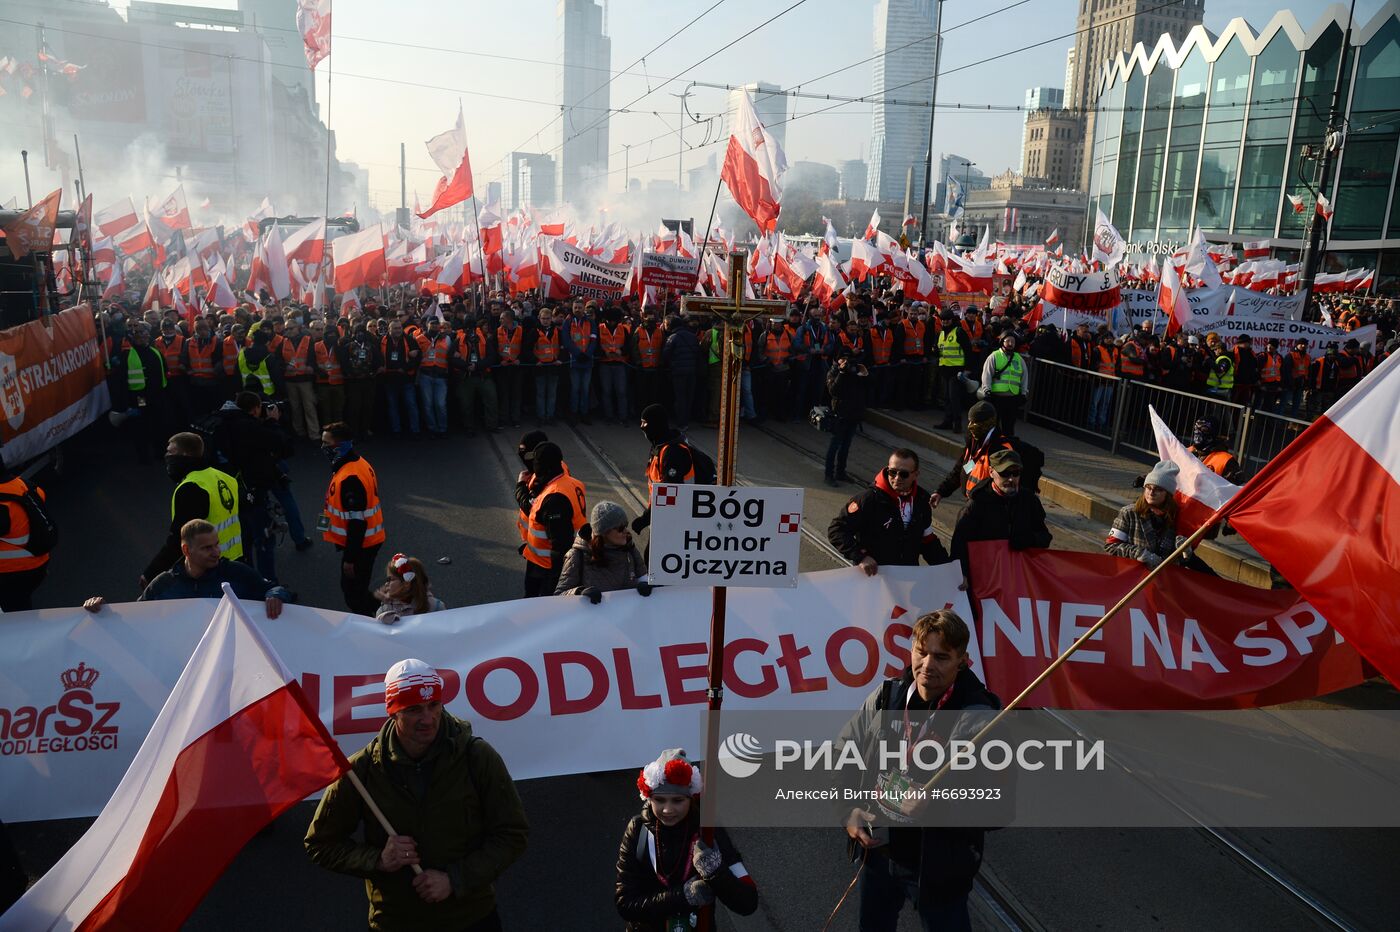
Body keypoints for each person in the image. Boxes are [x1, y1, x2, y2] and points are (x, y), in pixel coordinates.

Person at [305, 659, 529, 931]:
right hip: (395, 921)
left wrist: (455, 880)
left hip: (471, 918)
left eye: (433, 705)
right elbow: (320, 844)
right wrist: (378, 860)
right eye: (413, 710)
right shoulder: (361, 771)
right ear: (392, 713)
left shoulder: (477, 757)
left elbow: (512, 834)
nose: (428, 719)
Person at [838, 610, 1001, 932]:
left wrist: (935, 807)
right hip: (880, 851)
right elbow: (844, 752)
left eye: (941, 657)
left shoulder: (981, 720)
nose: (927, 666)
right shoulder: (887, 695)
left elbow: (997, 807)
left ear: (962, 661)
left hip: (938, 868)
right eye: (921, 653)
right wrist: (847, 809)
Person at [615, 748, 758, 931]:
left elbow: (748, 903)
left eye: (677, 800)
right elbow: (625, 904)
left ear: (691, 798)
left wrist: (716, 872)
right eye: (659, 800)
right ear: (649, 798)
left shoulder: (708, 830)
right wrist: (682, 896)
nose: (667, 810)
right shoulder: (637, 829)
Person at [85, 519, 289, 616]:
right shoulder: (164, 584)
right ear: (186, 550)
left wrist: (275, 594)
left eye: (216, 544)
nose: (217, 552)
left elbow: (274, 589)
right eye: (207, 548)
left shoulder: (235, 572)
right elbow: (135, 617)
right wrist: (100, 608)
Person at [142, 432, 243, 590]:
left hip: (206, 565)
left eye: (171, 452)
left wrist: (152, 572)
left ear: (186, 455)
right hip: (233, 559)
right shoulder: (225, 478)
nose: (167, 456)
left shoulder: (191, 488)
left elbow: (179, 538)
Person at [828, 449, 948, 575]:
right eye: (892, 472)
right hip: (874, 577)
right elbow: (837, 529)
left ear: (916, 474)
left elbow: (928, 541)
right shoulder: (868, 499)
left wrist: (949, 570)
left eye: (904, 474)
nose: (897, 478)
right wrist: (860, 556)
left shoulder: (922, 500)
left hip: (906, 578)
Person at [950, 449, 1053, 582]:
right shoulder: (977, 505)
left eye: (1015, 473)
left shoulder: (1029, 500)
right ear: (991, 472)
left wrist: (1030, 539)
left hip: (1018, 580)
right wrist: (962, 574)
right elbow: (959, 545)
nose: (1011, 479)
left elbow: (1045, 536)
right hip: (985, 580)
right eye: (1004, 473)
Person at [320, 422, 386, 615]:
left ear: (340, 446)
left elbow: (357, 522)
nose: (323, 448)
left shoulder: (350, 477)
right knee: (356, 588)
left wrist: (350, 558)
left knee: (354, 594)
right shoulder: (354, 464)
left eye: (327, 444)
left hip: (362, 545)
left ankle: (380, 615)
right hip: (365, 542)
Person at [1105, 462, 1210, 573]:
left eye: (1158, 489)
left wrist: (1185, 552)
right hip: (1133, 579)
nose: (1151, 492)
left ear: (1168, 494)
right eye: (1148, 487)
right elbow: (1111, 546)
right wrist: (1139, 553)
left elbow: (1179, 561)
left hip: (1164, 582)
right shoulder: (1129, 513)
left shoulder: (1176, 517)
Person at [632, 405, 714, 535]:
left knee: (653, 554)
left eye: (645, 423)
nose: (642, 427)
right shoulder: (658, 446)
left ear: (656, 424)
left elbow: (669, 492)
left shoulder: (673, 453)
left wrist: (645, 519)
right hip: (666, 515)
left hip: (679, 518)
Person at [521, 441, 587, 597]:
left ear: (546, 468)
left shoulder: (554, 498)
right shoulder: (572, 483)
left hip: (546, 568)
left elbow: (560, 545)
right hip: (545, 563)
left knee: (536, 608)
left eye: (536, 463)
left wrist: (554, 585)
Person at [556, 501, 652, 600]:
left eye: (626, 526)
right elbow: (559, 596)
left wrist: (645, 585)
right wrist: (579, 592)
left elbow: (643, 579)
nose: (626, 531)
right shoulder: (577, 555)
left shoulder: (629, 548)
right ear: (604, 532)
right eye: (620, 528)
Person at [0, 459, 53, 611]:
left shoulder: (4, 506)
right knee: (21, 606)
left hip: (13, 572)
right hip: (38, 562)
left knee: (16, 615)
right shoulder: (25, 485)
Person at [824, 349, 868, 486]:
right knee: (835, 445)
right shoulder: (833, 372)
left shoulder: (855, 371)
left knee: (846, 446)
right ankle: (829, 475)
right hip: (840, 414)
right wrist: (842, 373)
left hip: (854, 413)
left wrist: (864, 373)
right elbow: (833, 391)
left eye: (848, 359)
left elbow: (867, 387)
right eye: (843, 358)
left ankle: (841, 472)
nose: (846, 361)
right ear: (838, 360)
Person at [374, 552, 446, 624]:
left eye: (391, 579)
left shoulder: (436, 607)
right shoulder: (384, 611)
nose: (386, 584)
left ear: (406, 583)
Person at [980, 332, 1028, 436]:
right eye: (1008, 341)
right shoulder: (994, 356)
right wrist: (986, 391)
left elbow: (1024, 377)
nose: (1011, 344)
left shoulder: (1019, 359)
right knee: (993, 427)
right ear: (1002, 342)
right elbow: (986, 375)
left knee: (1009, 428)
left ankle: (1007, 449)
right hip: (996, 398)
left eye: (1013, 341)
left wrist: (1023, 393)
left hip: (1012, 399)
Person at [933, 311, 973, 432]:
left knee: (954, 397)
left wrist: (967, 369)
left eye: (947, 320)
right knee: (947, 397)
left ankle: (957, 423)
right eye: (943, 320)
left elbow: (968, 351)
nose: (945, 322)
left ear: (952, 320)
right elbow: (938, 350)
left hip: (957, 371)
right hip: (944, 369)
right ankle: (947, 421)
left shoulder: (959, 332)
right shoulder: (940, 334)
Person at [1186, 417, 1242, 484]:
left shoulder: (1226, 461)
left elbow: (1236, 490)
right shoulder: (1187, 451)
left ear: (1214, 433)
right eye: (1196, 428)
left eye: (1204, 429)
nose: (1197, 432)